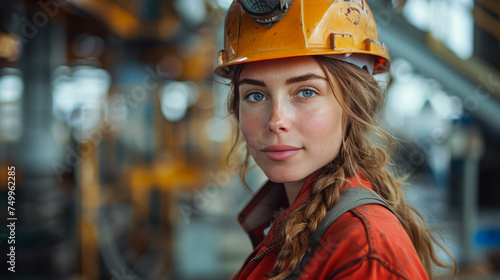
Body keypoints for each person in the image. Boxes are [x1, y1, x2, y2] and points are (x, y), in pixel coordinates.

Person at [214, 0, 456, 279]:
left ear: (354, 104)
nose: (276, 121)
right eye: (256, 96)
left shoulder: (363, 254)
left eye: (306, 92)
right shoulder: (291, 220)